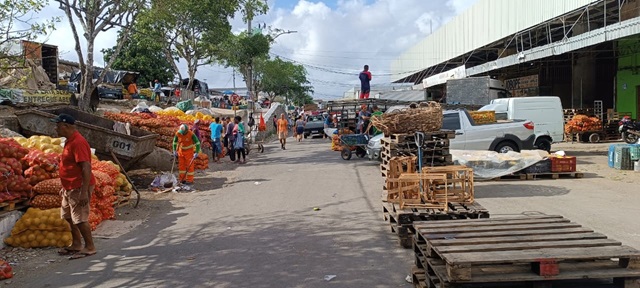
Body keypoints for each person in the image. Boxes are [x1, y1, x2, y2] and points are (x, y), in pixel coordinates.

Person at [51, 113, 97, 259]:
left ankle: (90, 246)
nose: (55, 129)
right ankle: (76, 244)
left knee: (80, 218)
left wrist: (84, 192)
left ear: (66, 126)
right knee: (68, 216)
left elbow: (86, 167)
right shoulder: (69, 141)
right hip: (69, 186)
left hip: (78, 186)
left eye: (57, 126)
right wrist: (64, 186)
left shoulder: (78, 142)